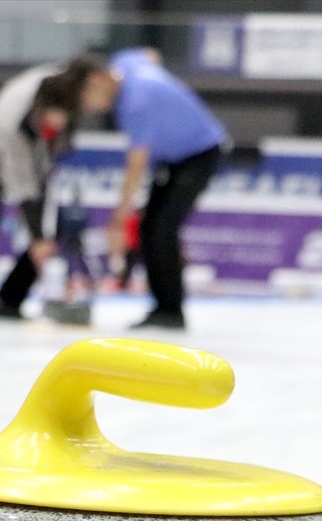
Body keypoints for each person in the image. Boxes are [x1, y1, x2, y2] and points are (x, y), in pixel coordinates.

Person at [79, 49, 228, 330]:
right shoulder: (125, 64)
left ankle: (171, 311)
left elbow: (137, 164)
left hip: (199, 155)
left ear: (96, 81)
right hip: (175, 160)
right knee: (151, 228)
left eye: (85, 98)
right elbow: (153, 54)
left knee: (162, 229)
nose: (89, 107)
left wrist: (119, 218)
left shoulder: (135, 104)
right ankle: (163, 306)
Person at [0, 62, 90, 319]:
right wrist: (38, 238)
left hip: (32, 159)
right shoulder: (14, 127)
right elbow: (25, 193)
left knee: (49, 228)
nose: (59, 125)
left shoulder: (56, 86)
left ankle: (9, 297)